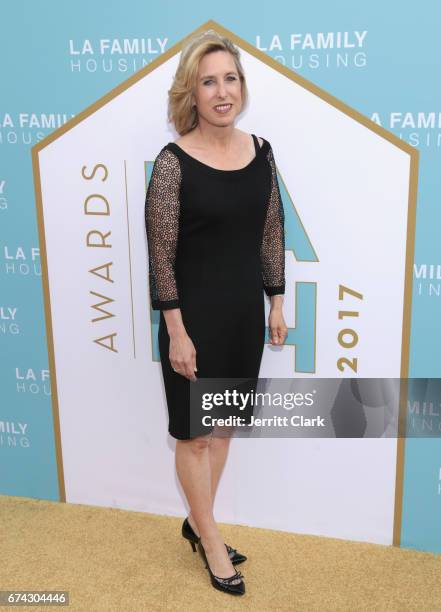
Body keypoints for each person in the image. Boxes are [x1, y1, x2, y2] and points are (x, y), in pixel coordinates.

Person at [144, 29, 288, 596]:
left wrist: (276, 299)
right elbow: (161, 257)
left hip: (242, 319)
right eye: (209, 81)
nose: (222, 91)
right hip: (192, 321)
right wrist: (176, 332)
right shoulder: (173, 162)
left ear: (241, 87)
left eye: (230, 78)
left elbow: (271, 230)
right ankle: (209, 541)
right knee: (195, 437)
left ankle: (196, 521)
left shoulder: (261, 151)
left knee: (223, 428)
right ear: (192, 93)